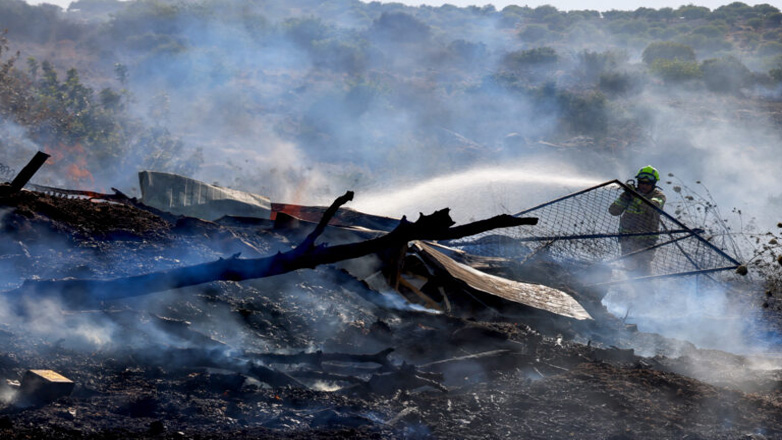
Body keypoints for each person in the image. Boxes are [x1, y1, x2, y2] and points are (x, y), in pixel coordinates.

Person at [608, 165, 666, 276]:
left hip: (646, 240)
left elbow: (651, 206)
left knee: (644, 270)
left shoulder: (659, 196)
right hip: (627, 238)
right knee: (629, 268)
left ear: (653, 184)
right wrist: (625, 196)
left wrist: (635, 196)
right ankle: (634, 291)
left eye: (647, 183)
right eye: (641, 182)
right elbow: (613, 211)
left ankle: (648, 291)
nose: (644, 186)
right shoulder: (629, 194)